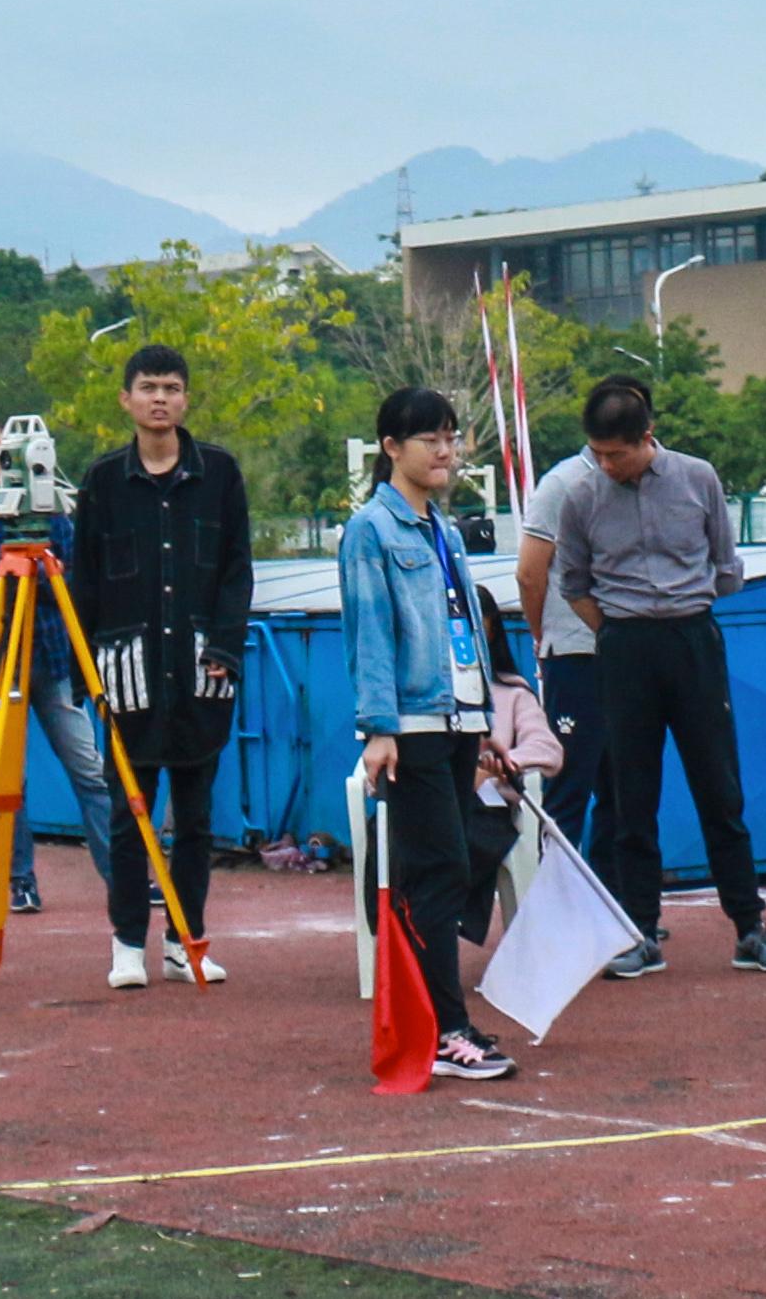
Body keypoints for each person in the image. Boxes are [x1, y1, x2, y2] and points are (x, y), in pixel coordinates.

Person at [558, 377, 766, 977]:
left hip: (693, 639)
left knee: (720, 789)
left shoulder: (698, 478)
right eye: (597, 454)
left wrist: (679, 611)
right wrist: (614, 631)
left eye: (616, 453)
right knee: (630, 798)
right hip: (623, 646)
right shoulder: (581, 496)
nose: (605, 465)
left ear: (646, 438)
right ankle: (639, 932)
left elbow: (725, 568)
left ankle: (750, 928)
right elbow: (573, 584)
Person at [340, 385, 517, 1081]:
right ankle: (443, 1028)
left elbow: (466, 633)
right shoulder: (370, 530)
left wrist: (481, 723)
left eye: (451, 437)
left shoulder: (442, 529)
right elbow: (370, 635)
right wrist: (378, 728)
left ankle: (438, 1021)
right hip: (409, 727)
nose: (445, 451)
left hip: (453, 721)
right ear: (391, 448)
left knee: (445, 867)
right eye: (429, 439)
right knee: (436, 869)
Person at [68, 346, 256, 989]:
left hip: (204, 671)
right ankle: (127, 943)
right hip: (127, 675)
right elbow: (83, 580)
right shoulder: (102, 481)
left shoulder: (221, 474)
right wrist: (82, 672)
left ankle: (185, 938)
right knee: (128, 814)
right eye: (147, 387)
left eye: (171, 388)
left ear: (186, 399)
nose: (159, 398)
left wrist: (227, 648)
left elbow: (237, 572)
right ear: (125, 399)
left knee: (198, 820)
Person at [0, 420, 121, 916]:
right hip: (3, 664)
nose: (8, 466)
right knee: (8, 777)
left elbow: (75, 580)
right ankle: (20, 879)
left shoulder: (55, 521)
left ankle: (120, 875)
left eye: (14, 455)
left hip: (56, 660)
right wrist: (37, 579)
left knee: (89, 769)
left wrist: (28, 582)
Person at [512, 434, 614, 872]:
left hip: (628, 655)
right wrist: (543, 635)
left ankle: (619, 907)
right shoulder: (562, 484)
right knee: (569, 784)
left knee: (625, 789)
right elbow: (529, 575)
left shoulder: (643, 481)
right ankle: (557, 906)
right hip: (573, 652)